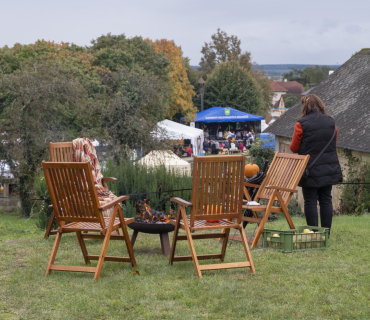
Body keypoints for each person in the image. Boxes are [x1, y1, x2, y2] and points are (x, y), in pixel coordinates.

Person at [290, 94, 342, 235]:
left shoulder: (301, 124)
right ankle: (326, 234)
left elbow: (294, 148)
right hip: (328, 167)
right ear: (320, 105)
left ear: (305, 106)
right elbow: (333, 143)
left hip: (310, 169)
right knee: (326, 199)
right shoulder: (331, 122)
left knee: (310, 201)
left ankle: (313, 233)